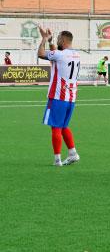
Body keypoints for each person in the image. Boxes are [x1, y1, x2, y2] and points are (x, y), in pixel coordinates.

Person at [37, 26, 80, 166]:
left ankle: (57, 160)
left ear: (62, 40)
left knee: (55, 127)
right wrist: (51, 42)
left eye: (58, 39)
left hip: (58, 96)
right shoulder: (76, 55)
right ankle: (73, 153)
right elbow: (55, 55)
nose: (56, 40)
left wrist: (44, 39)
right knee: (63, 126)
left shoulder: (60, 55)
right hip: (71, 98)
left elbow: (41, 54)